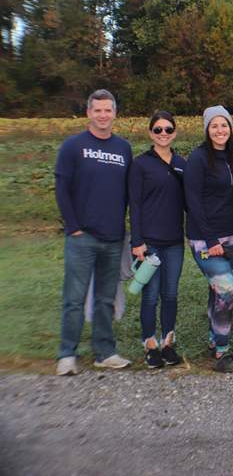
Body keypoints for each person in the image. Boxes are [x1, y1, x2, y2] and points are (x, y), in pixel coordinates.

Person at [54, 89, 133, 375]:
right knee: (74, 299)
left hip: (113, 238)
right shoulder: (73, 146)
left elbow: (128, 192)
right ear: (89, 113)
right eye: (97, 110)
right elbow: (62, 189)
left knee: (105, 299)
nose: (103, 115)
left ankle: (105, 351)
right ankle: (67, 354)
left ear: (114, 113)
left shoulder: (123, 148)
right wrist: (73, 227)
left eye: (107, 110)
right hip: (82, 237)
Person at [185, 106, 233, 373]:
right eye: (214, 126)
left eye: (224, 125)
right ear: (206, 130)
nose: (220, 130)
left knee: (219, 291)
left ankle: (214, 340)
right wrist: (210, 239)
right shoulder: (198, 158)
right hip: (205, 240)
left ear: (230, 128)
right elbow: (193, 202)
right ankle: (223, 351)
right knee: (226, 290)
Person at [129, 110, 187, 368]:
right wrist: (137, 241)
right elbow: (135, 204)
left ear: (174, 132)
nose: (163, 134)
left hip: (174, 241)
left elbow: (191, 201)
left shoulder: (182, 163)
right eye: (158, 129)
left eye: (168, 129)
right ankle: (150, 344)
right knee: (150, 296)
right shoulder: (140, 164)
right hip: (149, 241)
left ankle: (168, 343)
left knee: (171, 294)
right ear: (150, 133)